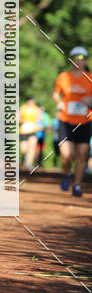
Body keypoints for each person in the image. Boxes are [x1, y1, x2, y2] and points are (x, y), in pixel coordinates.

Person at [52, 46, 92, 197]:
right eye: (75, 58)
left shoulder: (90, 78)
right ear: (71, 61)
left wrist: (90, 100)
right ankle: (67, 174)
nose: (78, 62)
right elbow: (56, 94)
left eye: (81, 59)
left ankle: (77, 185)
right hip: (66, 120)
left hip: (85, 121)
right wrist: (59, 102)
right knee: (66, 155)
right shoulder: (63, 77)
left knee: (82, 154)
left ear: (85, 61)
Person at [18, 96, 43, 172]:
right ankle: (24, 159)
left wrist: (38, 119)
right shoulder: (23, 108)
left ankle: (29, 164)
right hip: (24, 131)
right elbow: (17, 118)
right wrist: (22, 120)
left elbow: (40, 118)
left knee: (32, 146)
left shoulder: (36, 109)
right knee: (24, 149)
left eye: (32, 101)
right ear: (27, 101)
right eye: (30, 101)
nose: (31, 102)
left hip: (33, 130)